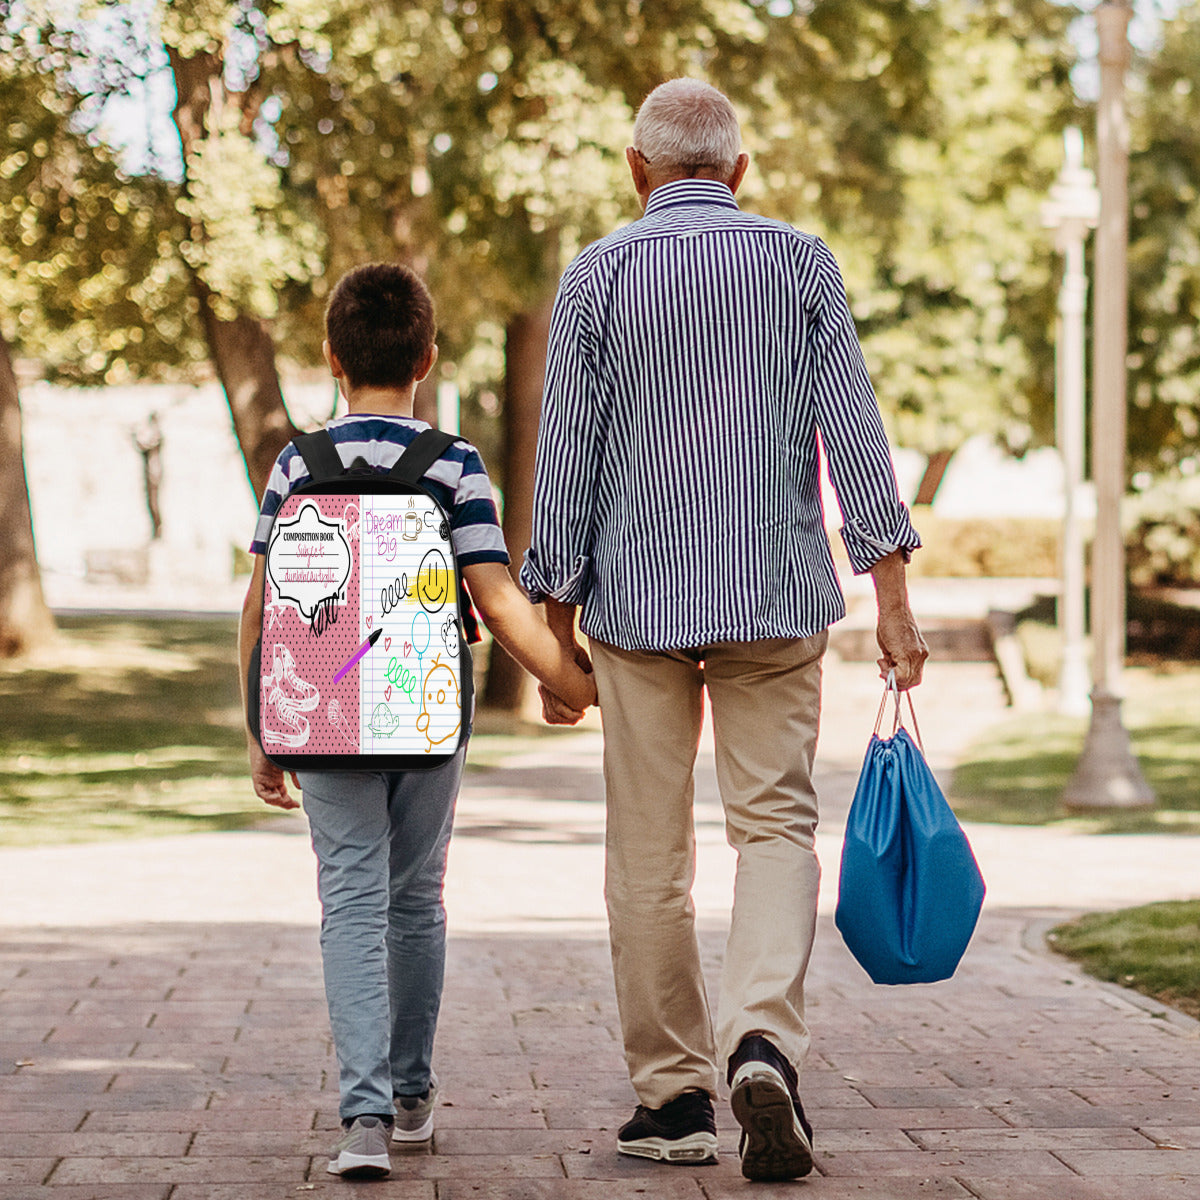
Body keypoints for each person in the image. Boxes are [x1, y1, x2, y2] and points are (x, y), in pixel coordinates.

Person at [521, 79, 928, 1182]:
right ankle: (762, 1042)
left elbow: (566, 465)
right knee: (776, 830)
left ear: (635, 167)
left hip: (638, 610)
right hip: (774, 595)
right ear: (738, 172)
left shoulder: (598, 275)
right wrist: (890, 593)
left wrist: (555, 633)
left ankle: (675, 1102)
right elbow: (855, 426)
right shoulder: (801, 262)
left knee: (648, 857)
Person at [237, 263, 596, 1181]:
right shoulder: (452, 464)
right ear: (428, 359)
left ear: (331, 357)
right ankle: (410, 1099)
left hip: (316, 712)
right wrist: (579, 684)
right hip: (425, 708)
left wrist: (260, 725)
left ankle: (360, 1123)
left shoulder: (295, 465)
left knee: (350, 901)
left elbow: (260, 605)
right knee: (415, 899)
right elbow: (499, 601)